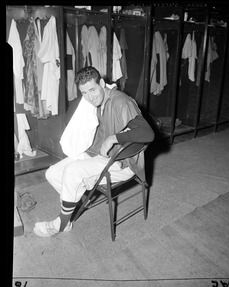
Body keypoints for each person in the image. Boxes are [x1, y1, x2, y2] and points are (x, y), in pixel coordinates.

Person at [33, 66, 155, 237]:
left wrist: (113, 138)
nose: (90, 97)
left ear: (103, 83)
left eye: (92, 90)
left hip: (122, 162)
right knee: (52, 173)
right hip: (99, 155)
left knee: (72, 172)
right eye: (84, 92)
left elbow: (148, 133)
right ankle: (76, 197)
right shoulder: (93, 102)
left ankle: (62, 223)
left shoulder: (121, 102)